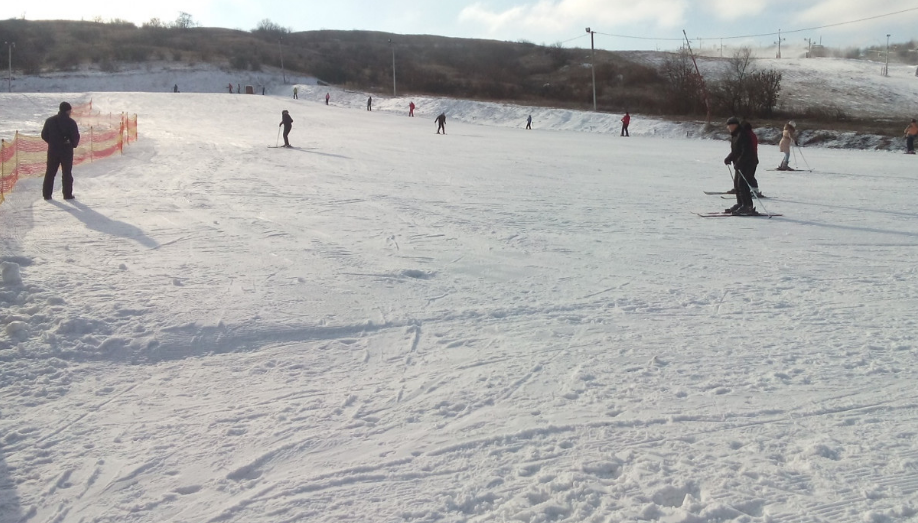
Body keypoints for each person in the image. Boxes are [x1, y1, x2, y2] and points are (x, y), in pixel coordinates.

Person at [40, 102, 81, 201]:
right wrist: (72, 144)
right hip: (66, 151)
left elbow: (44, 135)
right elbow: (75, 137)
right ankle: (67, 194)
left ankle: (47, 194)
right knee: (67, 173)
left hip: (53, 150)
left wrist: (52, 142)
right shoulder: (71, 122)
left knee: (50, 172)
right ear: (68, 111)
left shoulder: (50, 121)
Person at [723, 116, 759, 215]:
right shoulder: (735, 135)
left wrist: (739, 161)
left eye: (729, 126)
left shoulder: (742, 135)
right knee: (737, 184)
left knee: (742, 184)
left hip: (749, 162)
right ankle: (741, 203)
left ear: (734, 125)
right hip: (741, 163)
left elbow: (746, 151)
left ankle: (748, 206)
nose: (728, 128)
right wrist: (729, 158)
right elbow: (736, 151)